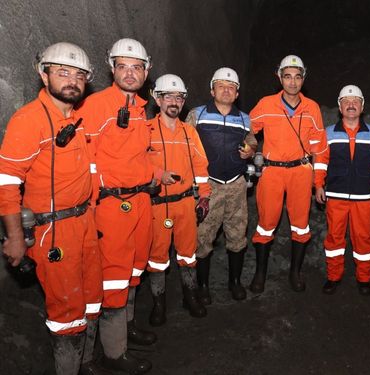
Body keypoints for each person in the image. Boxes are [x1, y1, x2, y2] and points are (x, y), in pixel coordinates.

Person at [0, 42, 103, 374]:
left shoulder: (77, 119)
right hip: (54, 231)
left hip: (83, 222)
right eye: (62, 72)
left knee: (90, 298)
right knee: (67, 313)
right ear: (43, 75)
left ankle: (86, 362)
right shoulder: (29, 120)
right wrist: (15, 237)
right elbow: (5, 183)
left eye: (78, 75)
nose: (71, 80)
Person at [78, 38, 158, 373]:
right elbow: (85, 158)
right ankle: (113, 352)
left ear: (146, 71)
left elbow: (138, 156)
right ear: (112, 68)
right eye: (122, 66)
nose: (129, 73)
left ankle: (126, 328)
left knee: (135, 270)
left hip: (140, 200)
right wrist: (94, 202)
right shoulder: (96, 105)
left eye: (136, 67)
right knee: (113, 278)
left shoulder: (141, 109)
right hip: (113, 204)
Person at [248, 55, 325, 293]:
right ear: (279, 77)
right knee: (265, 224)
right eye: (287, 76)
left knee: (301, 226)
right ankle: (260, 274)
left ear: (304, 79)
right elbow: (249, 130)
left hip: (301, 171)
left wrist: (318, 181)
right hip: (271, 171)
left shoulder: (312, 107)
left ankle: (295, 272)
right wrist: (248, 149)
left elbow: (319, 147)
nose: (292, 82)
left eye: (297, 77)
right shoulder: (266, 104)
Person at [185, 67, 257, 302]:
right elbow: (185, 147)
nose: (226, 90)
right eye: (221, 86)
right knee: (203, 236)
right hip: (209, 185)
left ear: (237, 94)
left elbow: (252, 143)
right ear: (212, 89)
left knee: (237, 235)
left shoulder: (245, 118)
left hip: (236, 185)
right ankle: (203, 286)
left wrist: (250, 151)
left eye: (231, 87)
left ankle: (234, 283)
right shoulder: (197, 115)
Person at [146, 74, 211, 326]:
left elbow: (201, 166)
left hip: (185, 202)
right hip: (157, 205)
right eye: (168, 96)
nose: (174, 101)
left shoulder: (189, 132)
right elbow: (136, 164)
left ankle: (190, 296)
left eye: (179, 97)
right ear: (158, 99)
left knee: (188, 254)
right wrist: (156, 175)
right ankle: (158, 303)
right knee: (156, 257)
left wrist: (204, 197)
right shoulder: (146, 131)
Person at [314, 85, 370, 296]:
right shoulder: (329, 133)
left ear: (362, 106)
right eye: (347, 101)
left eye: (355, 101)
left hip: (363, 196)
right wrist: (318, 185)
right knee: (334, 238)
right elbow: (320, 161)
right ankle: (333, 277)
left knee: (363, 238)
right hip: (335, 195)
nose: (351, 105)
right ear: (340, 106)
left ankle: (364, 279)